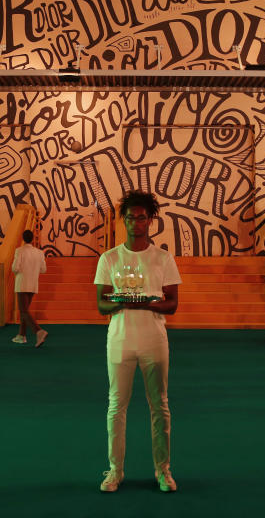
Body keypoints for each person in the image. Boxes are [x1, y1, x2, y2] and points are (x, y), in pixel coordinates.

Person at [95, 190, 181, 493]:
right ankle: (115, 471)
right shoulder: (110, 258)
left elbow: (172, 304)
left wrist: (146, 303)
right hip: (119, 340)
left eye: (141, 217)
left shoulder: (162, 258)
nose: (136, 222)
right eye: (130, 217)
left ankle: (163, 470)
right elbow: (101, 305)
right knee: (116, 406)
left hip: (154, 340)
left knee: (159, 406)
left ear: (151, 220)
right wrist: (122, 302)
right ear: (124, 220)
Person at [12, 229, 49, 347]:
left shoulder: (19, 251)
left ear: (23, 238)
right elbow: (43, 270)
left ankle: (39, 331)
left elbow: (15, 268)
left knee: (23, 311)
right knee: (25, 311)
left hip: (22, 283)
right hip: (33, 284)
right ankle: (21, 336)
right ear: (32, 239)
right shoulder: (39, 252)